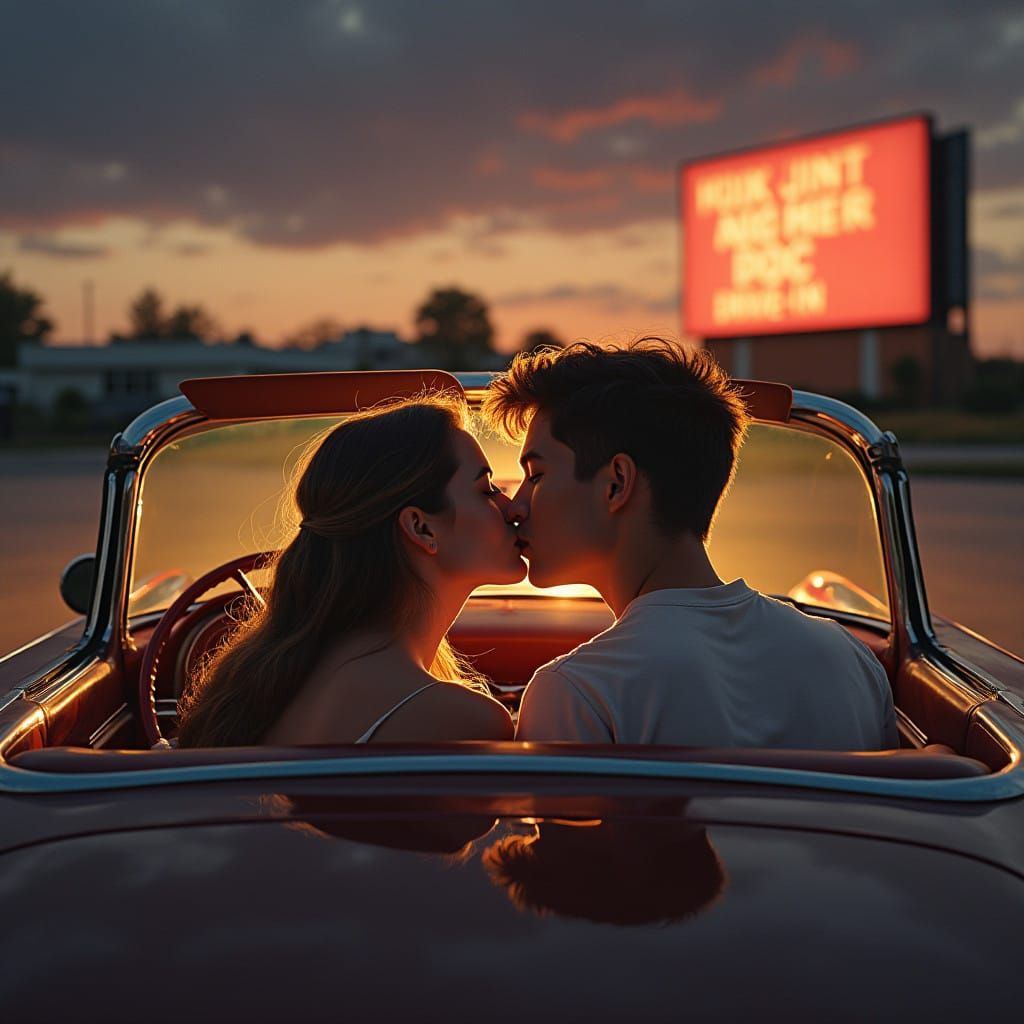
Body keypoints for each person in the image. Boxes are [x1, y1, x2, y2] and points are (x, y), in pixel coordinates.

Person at [483, 338, 898, 750]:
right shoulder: (849, 659)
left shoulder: (577, 692)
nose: (515, 506)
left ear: (616, 484)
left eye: (535, 475)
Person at [177, 394, 522, 747]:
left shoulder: (255, 684)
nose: (512, 509)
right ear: (422, 528)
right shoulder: (464, 720)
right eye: (486, 490)